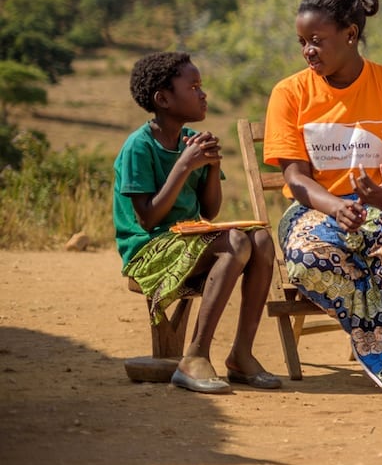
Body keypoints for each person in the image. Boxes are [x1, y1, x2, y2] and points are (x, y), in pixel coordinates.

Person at [264, 0, 382, 389]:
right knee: (305, 256)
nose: (307, 51)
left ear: (350, 34)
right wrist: (334, 206)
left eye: (316, 41)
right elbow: (295, 178)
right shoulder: (290, 93)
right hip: (316, 209)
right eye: (301, 43)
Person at [114, 51, 280, 394]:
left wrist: (213, 168)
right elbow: (148, 219)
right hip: (149, 251)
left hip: (190, 242)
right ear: (163, 99)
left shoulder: (190, 140)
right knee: (235, 243)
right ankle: (195, 356)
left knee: (261, 239)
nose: (203, 94)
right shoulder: (138, 147)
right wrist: (184, 166)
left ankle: (241, 356)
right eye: (193, 87)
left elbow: (209, 212)